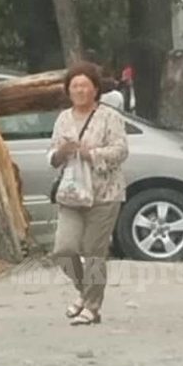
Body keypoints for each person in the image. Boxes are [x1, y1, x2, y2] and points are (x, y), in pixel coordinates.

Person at [47, 62, 129, 326]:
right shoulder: (63, 118)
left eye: (84, 85)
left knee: (94, 252)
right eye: (74, 86)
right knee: (63, 249)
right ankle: (85, 292)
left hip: (104, 194)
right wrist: (62, 153)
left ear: (95, 89)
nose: (79, 90)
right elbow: (52, 154)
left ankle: (92, 307)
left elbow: (121, 151)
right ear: (68, 90)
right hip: (71, 194)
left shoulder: (109, 116)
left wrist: (89, 153)